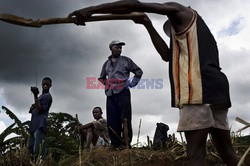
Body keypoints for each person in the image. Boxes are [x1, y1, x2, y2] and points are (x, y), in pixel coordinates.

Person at [68, 1, 239, 165]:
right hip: (218, 91)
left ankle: (124, 143)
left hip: (197, 89)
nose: (172, 33)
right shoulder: (199, 34)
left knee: (195, 152)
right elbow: (166, 55)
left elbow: (134, 4)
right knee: (226, 151)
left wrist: (91, 9)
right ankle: (116, 144)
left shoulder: (180, 11)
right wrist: (147, 24)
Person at [97, 40, 143, 149]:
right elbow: (101, 77)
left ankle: (126, 143)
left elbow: (138, 72)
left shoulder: (126, 60)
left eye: (120, 48)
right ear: (111, 48)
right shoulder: (106, 63)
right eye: (117, 47)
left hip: (123, 92)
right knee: (112, 119)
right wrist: (106, 84)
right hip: (110, 94)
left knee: (125, 118)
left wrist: (132, 83)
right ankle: (115, 143)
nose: (119, 49)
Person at [28, 77, 52, 160]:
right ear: (41, 85)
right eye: (43, 84)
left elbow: (40, 109)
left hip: (40, 125)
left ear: (50, 86)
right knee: (30, 148)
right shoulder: (41, 97)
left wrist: (35, 95)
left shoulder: (47, 96)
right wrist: (34, 103)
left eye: (47, 84)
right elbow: (31, 110)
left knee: (37, 150)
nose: (45, 86)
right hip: (33, 126)